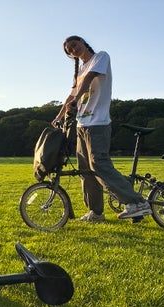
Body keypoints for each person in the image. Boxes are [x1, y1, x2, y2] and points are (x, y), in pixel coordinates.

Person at [53, 36, 150, 222]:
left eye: (74, 45)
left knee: (99, 164)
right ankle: (96, 213)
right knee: (85, 171)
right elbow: (71, 95)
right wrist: (58, 116)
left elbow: (89, 79)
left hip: (98, 123)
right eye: (69, 50)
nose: (73, 49)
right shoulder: (79, 70)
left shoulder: (100, 57)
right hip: (82, 124)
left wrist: (76, 99)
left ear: (82, 42)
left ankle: (137, 202)